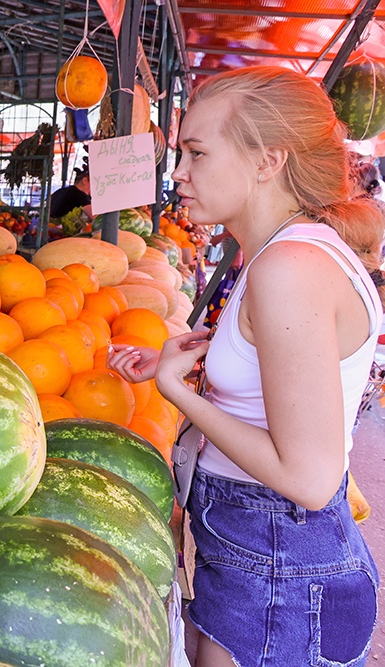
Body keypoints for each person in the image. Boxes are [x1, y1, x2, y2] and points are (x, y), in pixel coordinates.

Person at [109, 66, 385, 667]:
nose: (177, 173)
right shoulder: (286, 250)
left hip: (276, 560)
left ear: (267, 161)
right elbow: (282, 361)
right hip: (259, 552)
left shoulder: (288, 268)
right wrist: (200, 353)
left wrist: (177, 393)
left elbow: (307, 480)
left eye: (197, 153)